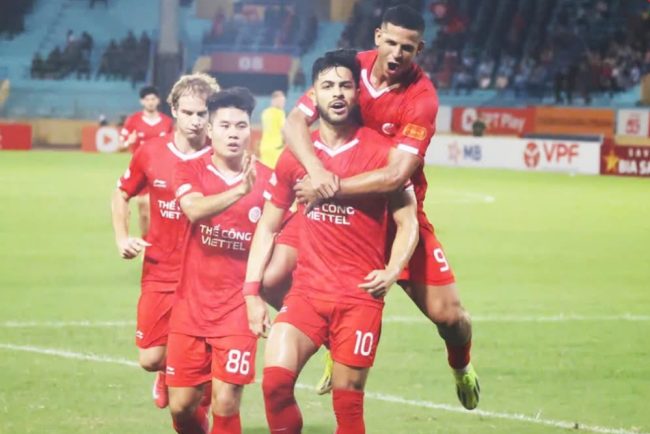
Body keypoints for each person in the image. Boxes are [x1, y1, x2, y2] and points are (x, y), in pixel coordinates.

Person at [281, 5, 480, 409]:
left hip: (394, 215)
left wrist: (329, 188)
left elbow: (396, 175)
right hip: (337, 219)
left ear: (419, 49)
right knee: (271, 276)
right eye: (390, 42)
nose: (396, 53)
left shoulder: (421, 98)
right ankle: (333, 341)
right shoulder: (347, 71)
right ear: (377, 37)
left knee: (450, 317)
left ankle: (461, 365)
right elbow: (293, 123)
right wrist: (317, 172)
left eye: (407, 47)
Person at [244, 50, 419, 434]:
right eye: (327, 86)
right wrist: (251, 293)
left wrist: (393, 270)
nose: (337, 93)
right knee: (274, 386)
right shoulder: (296, 158)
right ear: (314, 95)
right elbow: (268, 227)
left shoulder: (381, 153)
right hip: (307, 294)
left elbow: (408, 221)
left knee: (348, 407)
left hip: (358, 298)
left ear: (357, 93)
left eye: (345, 86)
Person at [110, 73, 219, 411]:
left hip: (208, 275)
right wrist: (122, 238)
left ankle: (199, 389)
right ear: (173, 110)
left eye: (202, 113)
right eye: (188, 113)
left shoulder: (222, 155)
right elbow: (121, 193)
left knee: (206, 356)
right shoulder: (151, 152)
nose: (195, 121)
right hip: (160, 270)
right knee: (150, 358)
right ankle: (168, 373)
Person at [166, 87, 269, 434]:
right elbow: (194, 209)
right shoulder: (189, 170)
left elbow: (284, 238)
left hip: (238, 307)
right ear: (210, 130)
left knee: (226, 401)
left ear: (250, 129)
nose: (233, 134)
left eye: (241, 126)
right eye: (224, 126)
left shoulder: (269, 180)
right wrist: (240, 190)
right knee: (182, 407)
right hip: (191, 306)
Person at [120, 85, 174, 237]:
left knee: (162, 210)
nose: (150, 102)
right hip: (141, 170)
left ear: (158, 101)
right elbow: (120, 146)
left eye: (153, 99)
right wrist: (129, 142)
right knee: (143, 210)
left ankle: (157, 240)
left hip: (162, 171)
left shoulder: (167, 122)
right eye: (147, 99)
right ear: (142, 101)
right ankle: (146, 240)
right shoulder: (133, 121)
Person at [258, 90, 286, 168]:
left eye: (283, 101)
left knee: (265, 170)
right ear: (274, 100)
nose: (283, 104)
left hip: (264, 146)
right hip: (276, 148)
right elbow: (284, 130)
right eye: (281, 101)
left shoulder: (265, 112)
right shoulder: (280, 113)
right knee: (275, 171)